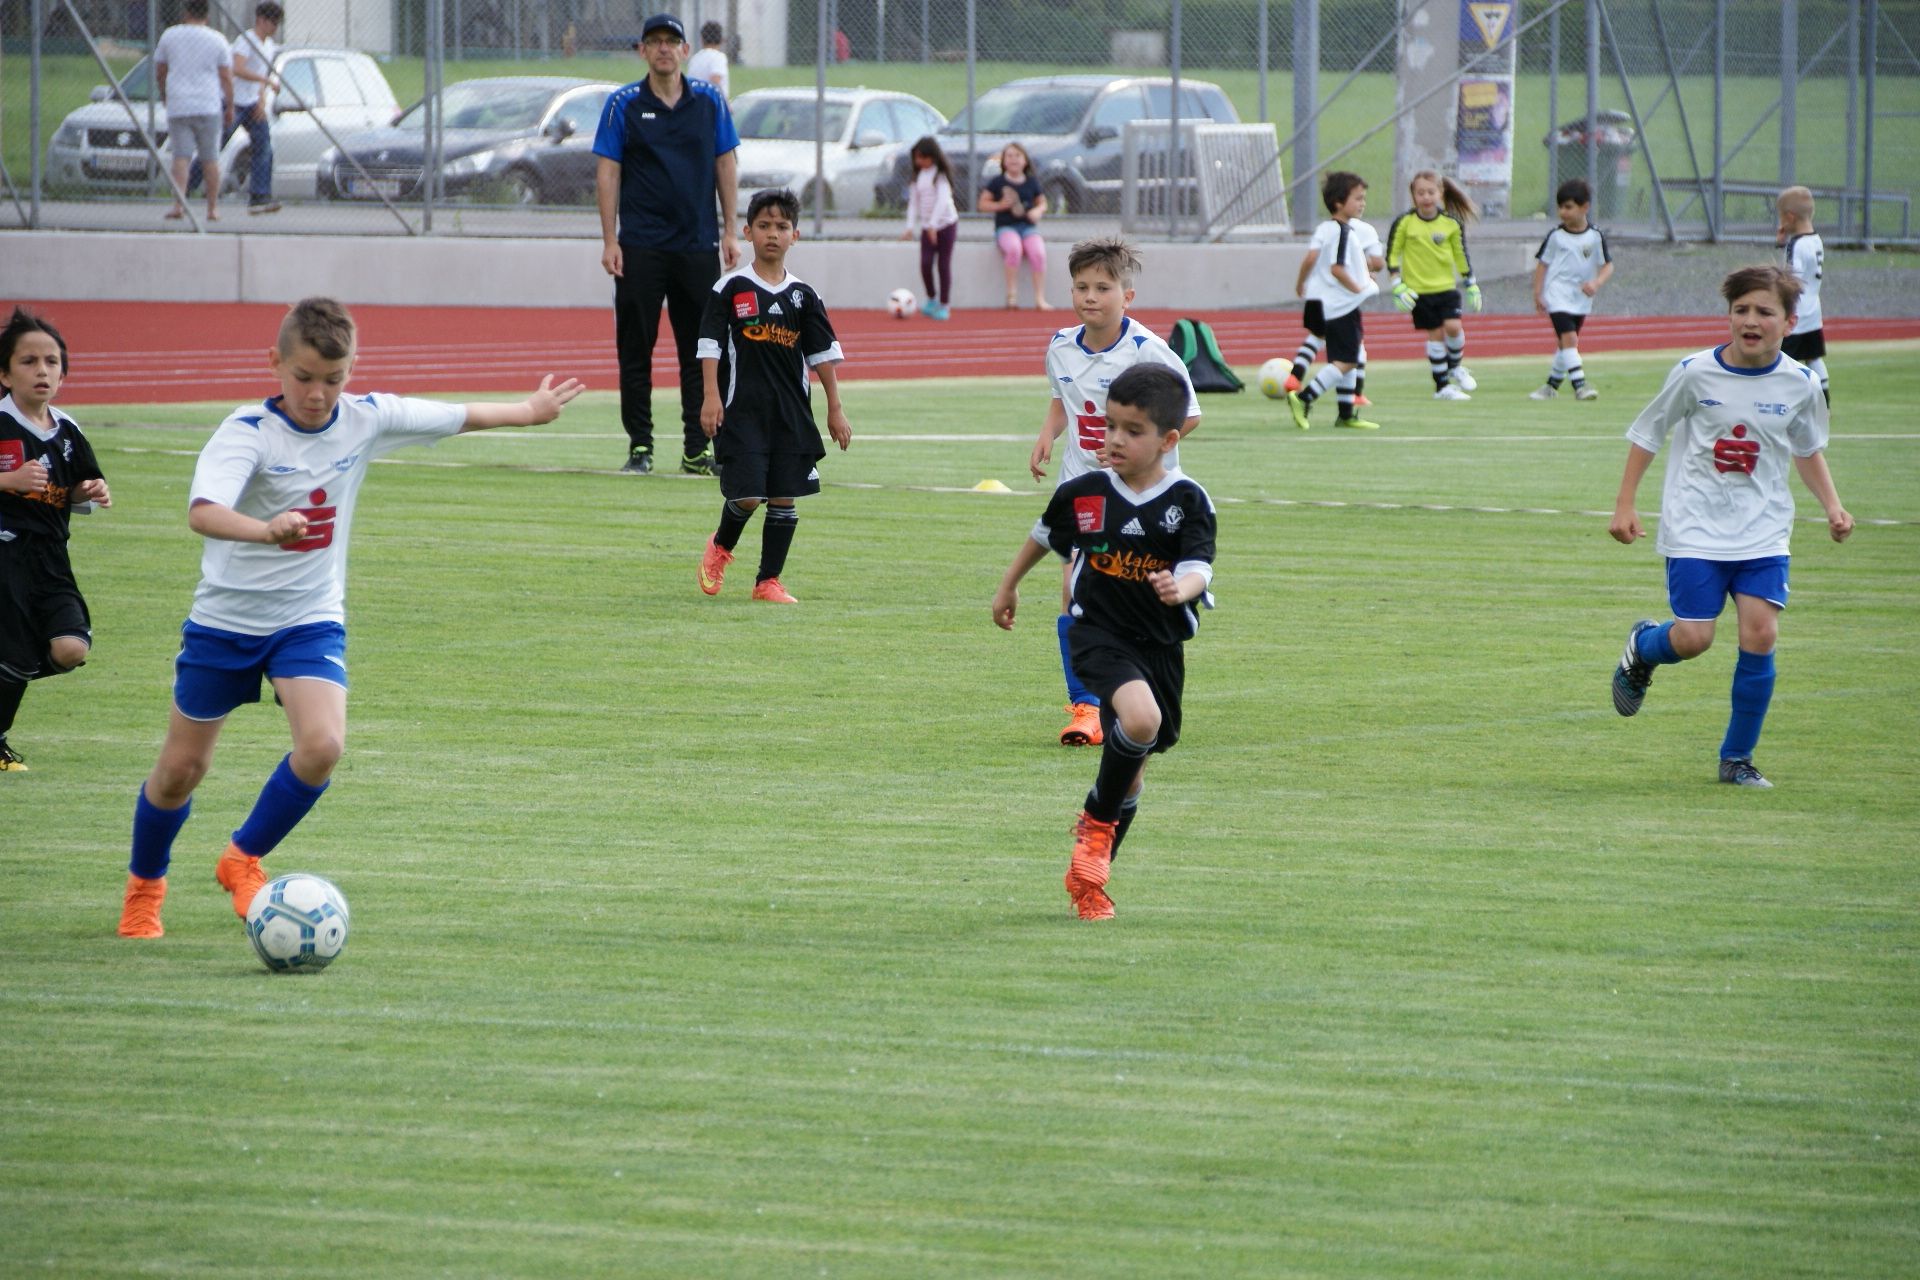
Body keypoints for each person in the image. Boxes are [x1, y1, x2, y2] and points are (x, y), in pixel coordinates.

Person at [116, 297, 582, 939]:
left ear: (352, 370)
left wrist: (530, 411)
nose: (317, 394)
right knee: (180, 772)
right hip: (225, 623)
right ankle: (145, 889)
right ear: (275, 363)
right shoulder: (247, 432)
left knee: (323, 747)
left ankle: (242, 858)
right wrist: (264, 529)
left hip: (308, 619)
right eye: (304, 377)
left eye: (333, 380)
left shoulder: (365, 418)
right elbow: (203, 512)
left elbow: (455, 416)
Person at [1607, 264, 1851, 790]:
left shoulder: (1802, 383)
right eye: (1741, 310)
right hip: (1695, 528)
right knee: (1694, 638)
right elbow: (1648, 433)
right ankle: (1644, 647)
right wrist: (1625, 504)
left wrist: (1833, 506)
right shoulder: (1694, 372)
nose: (1750, 320)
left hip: (1763, 531)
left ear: (1790, 322)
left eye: (1764, 311)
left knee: (1761, 633)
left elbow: (1807, 449)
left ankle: (1737, 758)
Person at [993, 363, 1217, 920]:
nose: (1115, 438)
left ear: (1168, 440)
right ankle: (1095, 829)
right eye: (1111, 425)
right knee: (1142, 720)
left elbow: (1199, 567)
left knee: (1133, 771)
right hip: (1097, 633)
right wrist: (1009, 585)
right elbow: (1044, 536)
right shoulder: (1085, 492)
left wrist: (1180, 587)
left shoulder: (1187, 500)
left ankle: (1089, 877)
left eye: (1133, 430)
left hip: (1159, 645)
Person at [1028, 237, 1200, 747]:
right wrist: (1047, 433)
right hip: (1084, 492)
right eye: (1081, 286)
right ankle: (1087, 707)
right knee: (1074, 591)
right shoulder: (1060, 345)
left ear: (1127, 296)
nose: (1090, 296)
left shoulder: (1148, 352)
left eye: (1103, 288)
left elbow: (1189, 415)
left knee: (1138, 599)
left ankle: (1139, 690)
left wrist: (1133, 451)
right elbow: (1062, 396)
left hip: (1144, 497)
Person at [594, 12, 740, 477]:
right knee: (635, 348)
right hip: (640, 246)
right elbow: (608, 172)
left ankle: (698, 449)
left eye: (671, 41)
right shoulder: (622, 105)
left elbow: (725, 163)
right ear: (642, 51)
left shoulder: (710, 101)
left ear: (685, 51)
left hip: (696, 245)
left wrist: (730, 229)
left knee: (702, 350)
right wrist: (610, 239)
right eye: (654, 41)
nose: (663, 48)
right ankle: (640, 446)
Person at [695, 189, 851, 603]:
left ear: (794, 236)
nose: (772, 234)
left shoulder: (804, 295)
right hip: (742, 411)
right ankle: (720, 547)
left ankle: (768, 582)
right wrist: (710, 397)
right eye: (763, 225)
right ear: (748, 232)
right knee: (748, 495)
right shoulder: (730, 287)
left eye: (782, 227)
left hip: (791, 413)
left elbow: (822, 356)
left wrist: (835, 409)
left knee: (784, 494)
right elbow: (709, 345)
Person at [0, 308, 111, 774]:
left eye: (51, 361)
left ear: (63, 374)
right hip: (5, 555)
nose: (41, 370)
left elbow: (79, 487)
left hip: (50, 560)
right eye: (28, 361)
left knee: (70, 648)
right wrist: (6, 481)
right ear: (5, 374)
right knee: (17, 655)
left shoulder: (68, 431)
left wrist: (91, 491)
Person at [1285, 171, 1382, 431]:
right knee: (1347, 360)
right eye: (1357, 199)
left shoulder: (1326, 229)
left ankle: (1346, 413)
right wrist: (1358, 287)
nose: (1362, 203)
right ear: (1339, 202)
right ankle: (1305, 398)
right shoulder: (1343, 232)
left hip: (1329, 303)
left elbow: (1312, 259)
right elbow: (1337, 269)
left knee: (1352, 354)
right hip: (1341, 306)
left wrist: (1301, 283)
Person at [1386, 169, 1481, 401]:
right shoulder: (1405, 222)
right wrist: (1397, 284)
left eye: (1431, 192)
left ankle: (1455, 367)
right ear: (1413, 196)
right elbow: (1392, 254)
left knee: (1454, 327)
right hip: (1419, 292)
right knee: (1436, 335)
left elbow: (1461, 254)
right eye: (1420, 193)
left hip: (1446, 288)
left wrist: (1470, 283)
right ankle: (1442, 388)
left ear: (1440, 193)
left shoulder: (1451, 223)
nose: (1426, 197)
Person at [189, 2, 283, 212]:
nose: (275, 28)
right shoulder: (246, 40)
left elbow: (261, 75)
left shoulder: (268, 45)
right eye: (273, 22)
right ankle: (187, 186)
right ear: (261, 20)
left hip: (251, 103)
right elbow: (237, 69)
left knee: (263, 146)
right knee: (215, 145)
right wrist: (266, 81)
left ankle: (260, 195)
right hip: (233, 102)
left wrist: (261, 100)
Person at [1529, 177, 1613, 401]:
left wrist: (1596, 283)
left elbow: (1608, 266)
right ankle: (1580, 386)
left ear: (1585, 207)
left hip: (1581, 298)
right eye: (1560, 207)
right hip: (1557, 294)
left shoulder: (1595, 236)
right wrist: (1538, 293)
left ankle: (1551, 386)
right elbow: (1542, 264)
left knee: (1565, 343)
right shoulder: (1556, 236)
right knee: (1570, 339)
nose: (1563, 212)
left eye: (1568, 207)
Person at [154, 0, 234, 223]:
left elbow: (160, 70)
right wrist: (230, 105)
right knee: (210, 158)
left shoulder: (170, 36)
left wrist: (164, 93)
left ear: (186, 12)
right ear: (207, 15)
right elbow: (226, 77)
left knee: (181, 156)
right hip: (208, 105)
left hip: (179, 104)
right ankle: (212, 208)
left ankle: (179, 205)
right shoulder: (217, 39)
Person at [979, 142, 1051, 310]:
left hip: (1028, 228)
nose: (1013, 160)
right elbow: (982, 204)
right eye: (1009, 156)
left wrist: (1037, 211)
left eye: (1017, 156)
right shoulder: (997, 182)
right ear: (1004, 161)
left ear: (1025, 160)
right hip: (1006, 228)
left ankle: (1040, 298)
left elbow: (1043, 203)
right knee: (1014, 249)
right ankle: (1011, 295)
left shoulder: (1032, 182)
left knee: (1038, 253)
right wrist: (1000, 205)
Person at [1777, 185, 1829, 405]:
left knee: (1783, 360)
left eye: (1781, 217)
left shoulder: (1796, 244)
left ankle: (1784, 401)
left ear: (1790, 217)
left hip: (1796, 313)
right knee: (1813, 357)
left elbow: (1792, 278)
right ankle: (1824, 403)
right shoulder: (1816, 240)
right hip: (1813, 310)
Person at [899, 136, 959, 321]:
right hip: (927, 227)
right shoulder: (917, 177)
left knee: (943, 264)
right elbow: (913, 203)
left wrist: (934, 224)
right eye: (916, 158)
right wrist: (910, 226)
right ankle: (932, 298)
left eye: (922, 157)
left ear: (932, 156)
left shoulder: (940, 175)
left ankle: (944, 304)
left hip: (946, 225)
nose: (919, 161)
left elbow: (943, 200)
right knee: (925, 263)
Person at [686, 21, 730, 98]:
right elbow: (715, 83)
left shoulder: (695, 58)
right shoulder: (719, 57)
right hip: (711, 101)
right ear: (721, 40)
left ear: (702, 39)